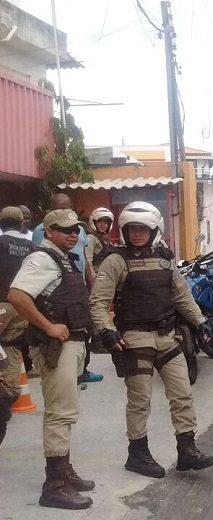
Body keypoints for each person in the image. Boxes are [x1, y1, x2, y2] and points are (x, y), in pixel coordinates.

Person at [89, 201, 213, 479]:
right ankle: (137, 453)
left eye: (143, 229)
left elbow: (181, 295)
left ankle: (187, 450)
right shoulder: (115, 260)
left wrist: (201, 321)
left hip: (168, 337)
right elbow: (98, 302)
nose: (137, 234)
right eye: (132, 229)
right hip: (134, 339)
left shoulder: (165, 259)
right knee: (140, 401)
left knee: (182, 394)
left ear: (154, 230)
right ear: (124, 230)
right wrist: (105, 330)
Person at [7, 209, 95, 510]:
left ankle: (64, 472)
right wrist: (47, 326)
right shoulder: (42, 259)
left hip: (70, 344)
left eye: (76, 229)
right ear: (48, 231)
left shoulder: (62, 259)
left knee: (66, 411)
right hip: (55, 347)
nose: (72, 234)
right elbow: (17, 295)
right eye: (65, 229)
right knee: (60, 413)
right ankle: (54, 484)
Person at [32, 194, 102, 384]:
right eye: (58, 207)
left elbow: (85, 258)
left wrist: (92, 283)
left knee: (82, 328)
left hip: (77, 285)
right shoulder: (42, 230)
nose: (63, 210)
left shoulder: (78, 229)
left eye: (66, 206)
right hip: (57, 288)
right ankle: (63, 375)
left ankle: (81, 371)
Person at [0, 206, 35, 446]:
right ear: (21, 223)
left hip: (2, 302)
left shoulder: (0, 243)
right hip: (23, 303)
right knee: (11, 348)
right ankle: (9, 394)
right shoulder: (30, 247)